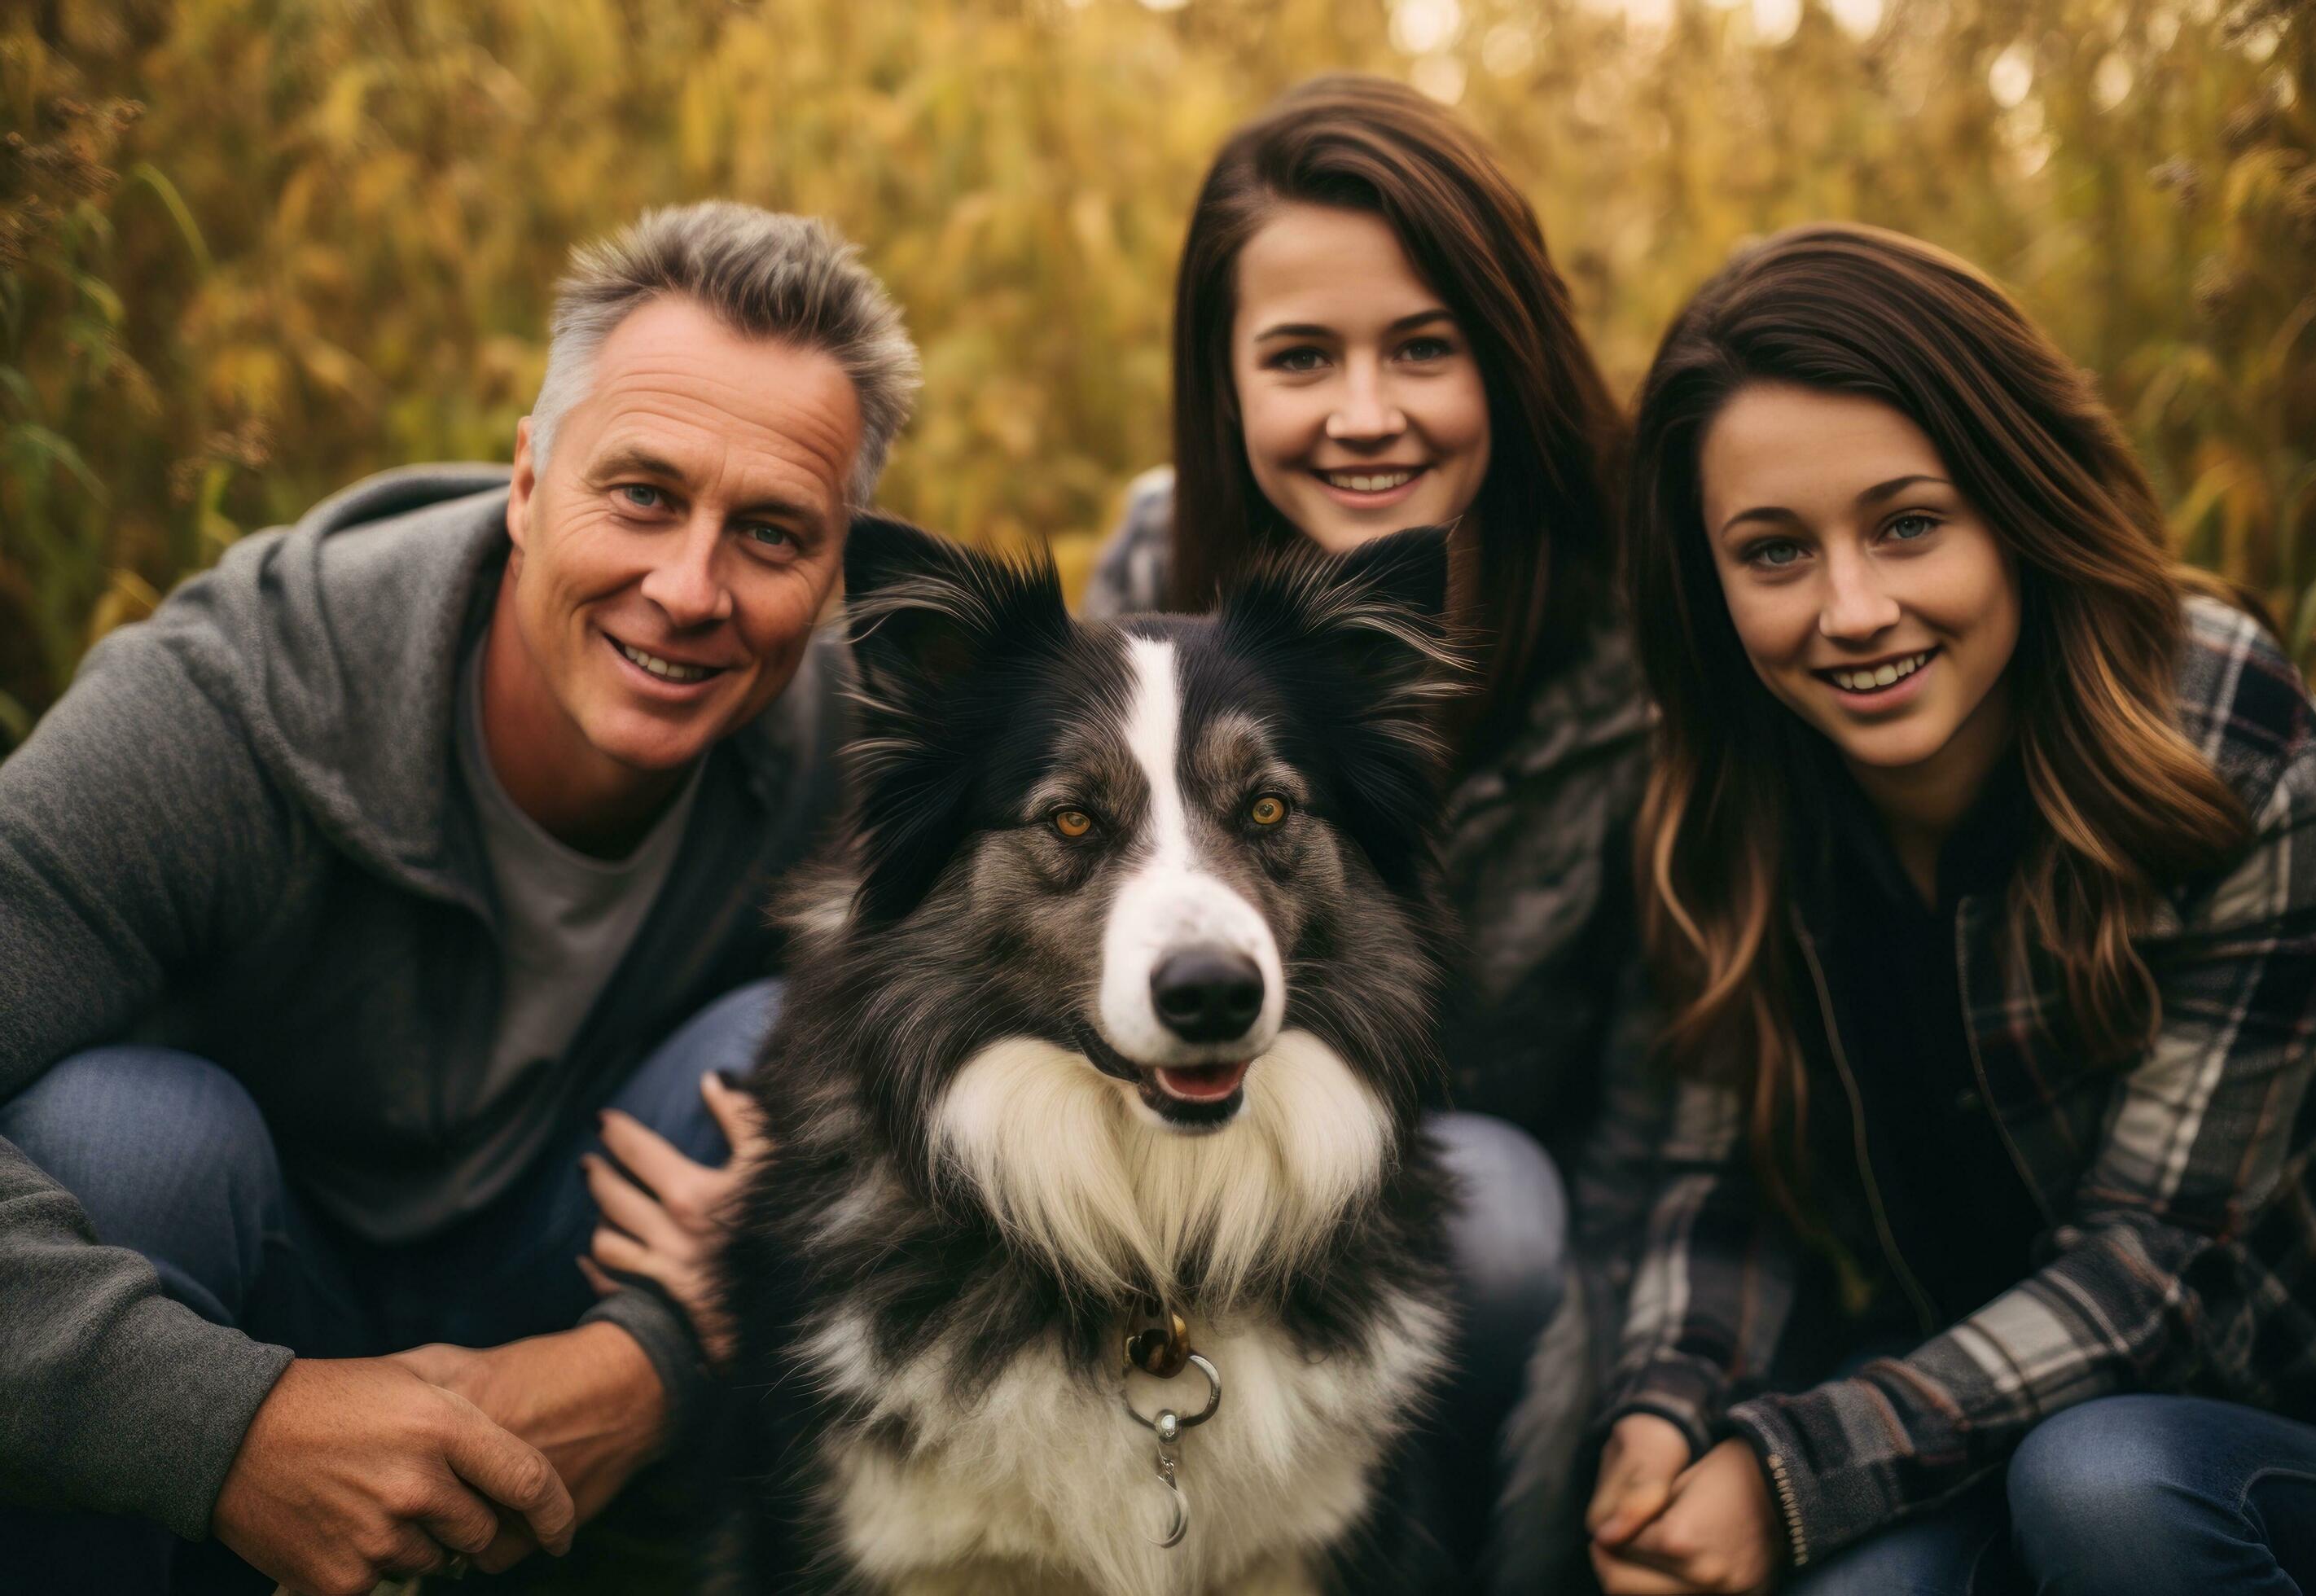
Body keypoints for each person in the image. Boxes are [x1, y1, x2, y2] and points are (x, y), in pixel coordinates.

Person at [0, 200, 919, 1595]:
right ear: (529, 481)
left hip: (563, 1299)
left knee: (787, 1046)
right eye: (644, 494)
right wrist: (228, 1429)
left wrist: (659, 1359)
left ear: (834, 568)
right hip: (239, 1300)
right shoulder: (224, 710)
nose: (689, 588)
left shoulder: (847, 760)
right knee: (124, 1137)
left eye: (774, 534)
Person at [1586, 222, 2316, 1596]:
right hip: (1955, 1399)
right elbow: (1713, 1181)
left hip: (2297, 1417)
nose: (1852, 610)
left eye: (1909, 525)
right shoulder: (1721, 789)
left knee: (2102, 1490)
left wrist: (1792, 1473)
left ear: (2016, 499)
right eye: (1773, 553)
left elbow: (2157, 1275)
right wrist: (1664, 1413)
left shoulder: (2223, 747)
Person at [1078, 73, 1655, 1579]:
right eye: (1299, 357)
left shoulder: (1652, 643)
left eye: (1421, 347)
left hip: (1542, 1253)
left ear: (1509, 354)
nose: (1363, 415)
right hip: (1208, 1184)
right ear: (1228, 385)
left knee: (1495, 1210)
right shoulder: (1160, 559)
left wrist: (1679, 1408)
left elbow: (1676, 1116)